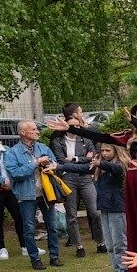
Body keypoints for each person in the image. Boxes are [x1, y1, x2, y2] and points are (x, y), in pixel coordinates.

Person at [49, 102, 137, 272]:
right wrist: (71, 129)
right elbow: (101, 136)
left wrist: (134, 121)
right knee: (136, 225)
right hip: (133, 180)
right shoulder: (130, 135)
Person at [4, 120, 63, 270]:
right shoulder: (12, 152)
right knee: (29, 228)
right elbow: (15, 174)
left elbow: (55, 165)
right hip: (26, 195)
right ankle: (35, 259)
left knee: (52, 226)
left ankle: (54, 256)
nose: (37, 132)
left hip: (46, 193)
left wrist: (49, 166)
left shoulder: (43, 147)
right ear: (23, 133)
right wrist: (36, 163)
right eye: (34, 129)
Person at [49, 105, 103, 257]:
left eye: (78, 127)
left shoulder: (86, 139)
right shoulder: (58, 141)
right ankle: (78, 245)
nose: (75, 129)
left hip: (85, 178)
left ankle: (100, 242)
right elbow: (60, 161)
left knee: (95, 212)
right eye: (72, 126)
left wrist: (74, 159)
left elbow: (92, 158)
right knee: (71, 214)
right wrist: (82, 160)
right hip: (68, 179)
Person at [0, 122, 27, 259]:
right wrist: (2, 181)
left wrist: (10, 181)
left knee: (19, 216)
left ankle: (25, 246)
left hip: (11, 188)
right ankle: (1, 248)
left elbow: (14, 166)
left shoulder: (6, 149)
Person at [92, 143, 131, 272]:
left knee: (119, 242)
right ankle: (117, 271)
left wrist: (100, 163)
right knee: (109, 243)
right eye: (102, 150)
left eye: (108, 150)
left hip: (117, 208)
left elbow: (116, 169)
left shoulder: (119, 165)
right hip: (105, 207)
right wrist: (59, 167)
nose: (104, 153)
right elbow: (82, 167)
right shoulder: (101, 166)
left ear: (116, 151)